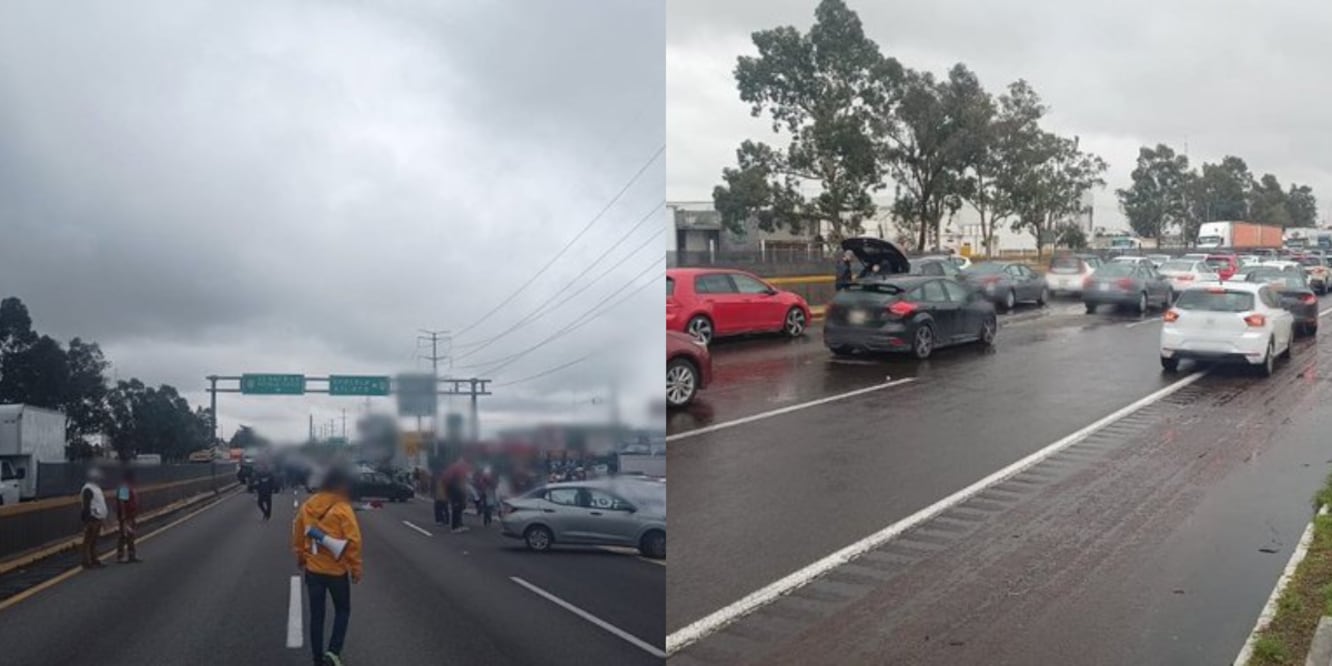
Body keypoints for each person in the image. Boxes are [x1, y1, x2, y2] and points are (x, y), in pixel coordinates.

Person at [292, 466, 362, 666]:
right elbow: (353, 541)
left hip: (313, 570)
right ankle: (333, 653)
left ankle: (317, 658)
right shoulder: (342, 507)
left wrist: (300, 556)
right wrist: (356, 568)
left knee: (317, 615)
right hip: (337, 571)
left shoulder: (308, 506)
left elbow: (298, 533)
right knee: (342, 610)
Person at [80, 467, 108, 569]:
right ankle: (86, 561)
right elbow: (86, 505)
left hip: (98, 517)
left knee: (94, 540)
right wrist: (87, 521)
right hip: (92, 518)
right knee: (88, 541)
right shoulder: (88, 489)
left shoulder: (96, 488)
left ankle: (94, 559)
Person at [115, 468, 141, 563]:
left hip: (131, 515)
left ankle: (131, 555)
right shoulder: (124, 487)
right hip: (126, 516)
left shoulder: (130, 486)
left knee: (131, 535)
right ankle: (120, 556)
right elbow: (122, 502)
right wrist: (123, 516)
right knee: (123, 536)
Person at [442, 456, 473, 533]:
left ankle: (459, 524)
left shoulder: (455, 467)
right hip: (455, 489)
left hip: (454, 489)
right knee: (457, 507)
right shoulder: (458, 468)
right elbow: (462, 479)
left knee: (459, 507)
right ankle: (455, 527)